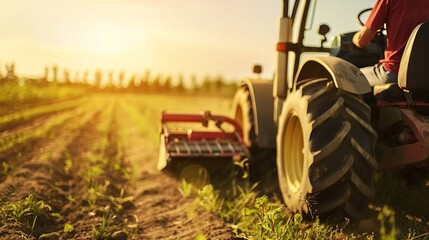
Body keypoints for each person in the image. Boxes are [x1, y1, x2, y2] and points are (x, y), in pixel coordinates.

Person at [353, 0, 429, 86]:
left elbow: (362, 41)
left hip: (396, 72)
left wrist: (355, 38)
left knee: (350, 76)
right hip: (426, 75)